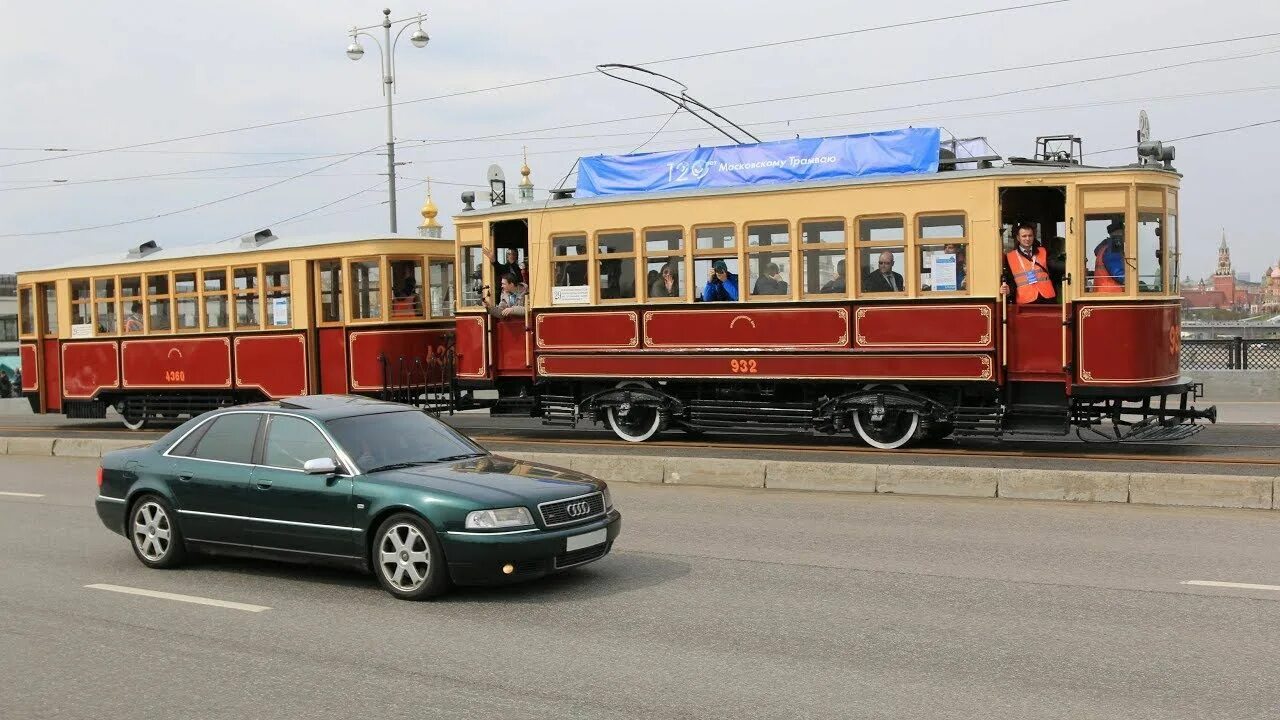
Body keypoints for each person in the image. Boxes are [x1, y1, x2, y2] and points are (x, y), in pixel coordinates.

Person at [1000, 222, 1062, 304]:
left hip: (1047, 299)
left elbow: (1055, 271)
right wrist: (1007, 290)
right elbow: (1010, 280)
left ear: (1033, 237)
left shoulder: (1044, 251)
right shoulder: (1010, 257)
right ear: (1018, 238)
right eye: (1024, 236)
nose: (1027, 239)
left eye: (1030, 235)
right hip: (1025, 300)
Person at [1092, 220, 1125, 292]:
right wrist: (1134, 283)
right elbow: (1118, 274)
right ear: (1120, 233)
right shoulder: (1113, 248)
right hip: (1113, 294)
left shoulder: (1104, 247)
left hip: (1103, 292)